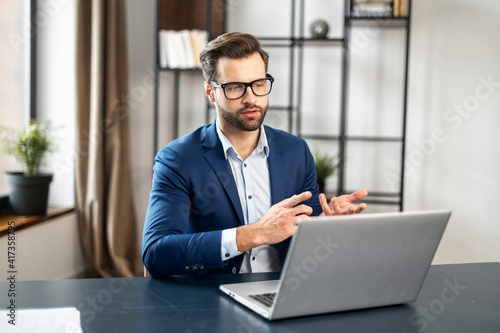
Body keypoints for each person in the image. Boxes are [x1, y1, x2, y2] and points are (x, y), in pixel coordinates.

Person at [142, 32, 367, 277]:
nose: (251, 99)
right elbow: (156, 253)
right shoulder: (178, 159)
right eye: (235, 87)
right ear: (210, 91)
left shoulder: (295, 152)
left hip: (283, 295)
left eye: (258, 84)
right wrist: (254, 233)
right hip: (211, 302)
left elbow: (304, 241)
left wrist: (326, 226)